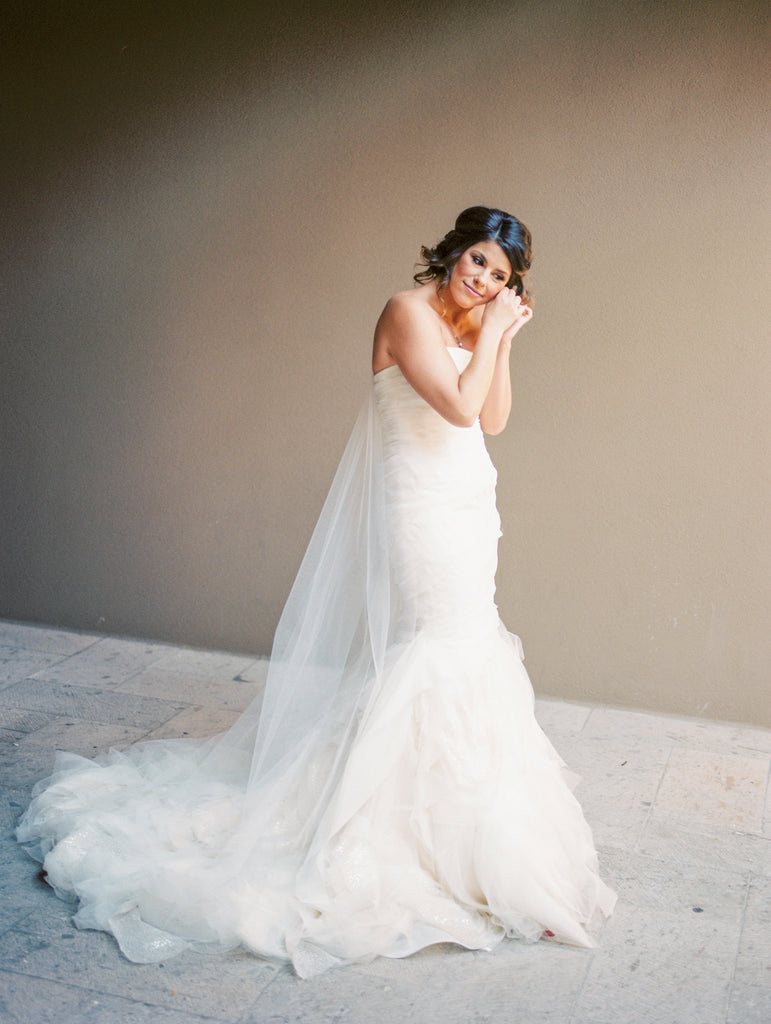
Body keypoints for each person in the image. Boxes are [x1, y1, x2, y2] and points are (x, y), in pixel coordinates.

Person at [17, 206, 615, 978]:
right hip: (420, 505)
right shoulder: (405, 311)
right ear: (451, 253)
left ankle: (462, 834)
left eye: (500, 275)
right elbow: (457, 406)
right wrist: (492, 329)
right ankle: (384, 826)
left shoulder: (475, 326)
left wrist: (500, 339)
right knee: (436, 645)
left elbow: (491, 418)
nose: (483, 280)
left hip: (470, 501)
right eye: (476, 261)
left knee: (467, 642)